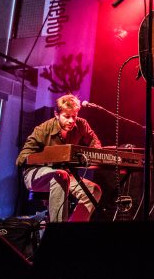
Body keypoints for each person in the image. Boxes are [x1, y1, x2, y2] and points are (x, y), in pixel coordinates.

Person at [16, 94, 103, 222]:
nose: (71, 121)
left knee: (94, 190)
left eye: (74, 116)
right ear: (56, 114)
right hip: (34, 174)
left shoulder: (81, 124)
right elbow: (21, 158)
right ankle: (57, 233)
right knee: (61, 175)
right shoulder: (42, 130)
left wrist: (92, 154)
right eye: (67, 117)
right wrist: (50, 156)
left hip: (64, 175)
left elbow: (95, 143)